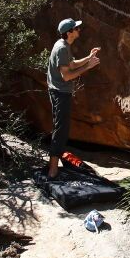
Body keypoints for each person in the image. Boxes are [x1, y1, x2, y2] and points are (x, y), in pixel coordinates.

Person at [45, 18, 100, 179]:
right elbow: (67, 76)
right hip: (60, 93)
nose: (79, 30)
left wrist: (88, 58)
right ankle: (53, 169)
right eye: (76, 28)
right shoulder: (62, 48)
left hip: (59, 92)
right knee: (60, 130)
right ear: (69, 33)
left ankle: (55, 165)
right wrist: (88, 67)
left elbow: (72, 64)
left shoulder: (63, 45)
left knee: (61, 128)